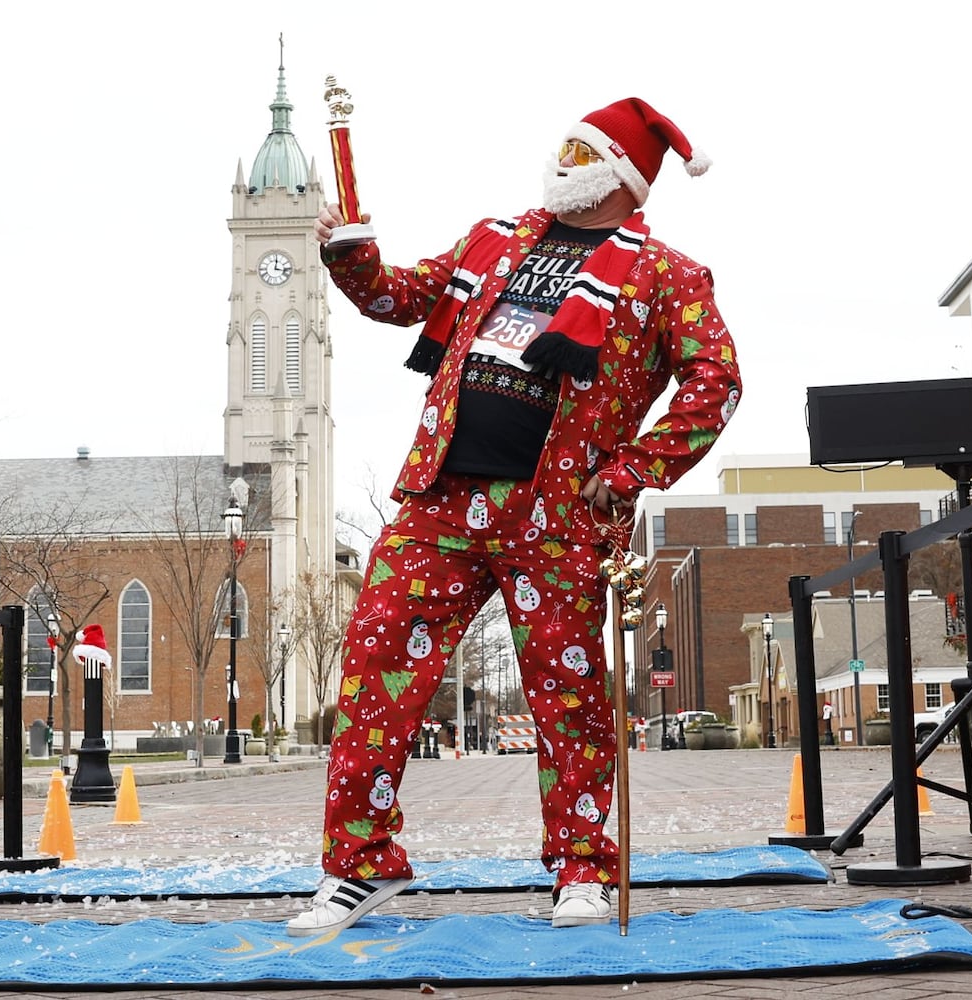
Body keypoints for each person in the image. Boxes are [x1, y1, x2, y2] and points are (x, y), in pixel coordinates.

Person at [287, 97, 742, 937]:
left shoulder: (666, 275)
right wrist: (352, 256)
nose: (563, 158)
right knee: (370, 672)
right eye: (564, 144)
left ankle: (582, 871)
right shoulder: (493, 240)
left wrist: (636, 468)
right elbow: (396, 296)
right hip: (440, 498)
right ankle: (357, 866)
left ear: (623, 177)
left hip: (559, 514)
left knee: (568, 700)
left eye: (583, 148)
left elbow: (716, 380)